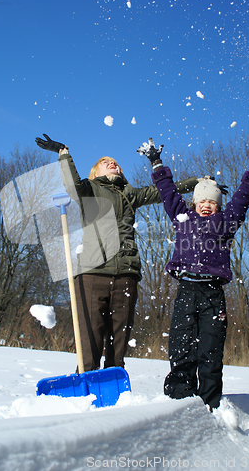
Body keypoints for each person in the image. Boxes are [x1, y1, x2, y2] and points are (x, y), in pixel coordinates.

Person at [35, 134, 199, 372]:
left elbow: (163, 192)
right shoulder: (88, 189)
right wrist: (63, 152)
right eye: (105, 161)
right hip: (92, 272)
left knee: (119, 339)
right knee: (90, 338)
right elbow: (72, 185)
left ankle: (115, 387)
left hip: (126, 273)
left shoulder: (129, 194)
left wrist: (198, 183)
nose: (113, 162)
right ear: (95, 173)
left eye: (115, 162)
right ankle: (86, 383)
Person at [137, 138, 249, 410]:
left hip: (212, 293)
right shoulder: (182, 218)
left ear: (218, 206)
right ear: (194, 202)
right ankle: (178, 399)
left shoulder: (226, 222)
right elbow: (167, 192)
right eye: (202, 200)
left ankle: (210, 403)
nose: (206, 204)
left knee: (210, 351)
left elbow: (243, 197)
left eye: (212, 201)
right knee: (181, 346)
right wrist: (156, 162)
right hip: (187, 291)